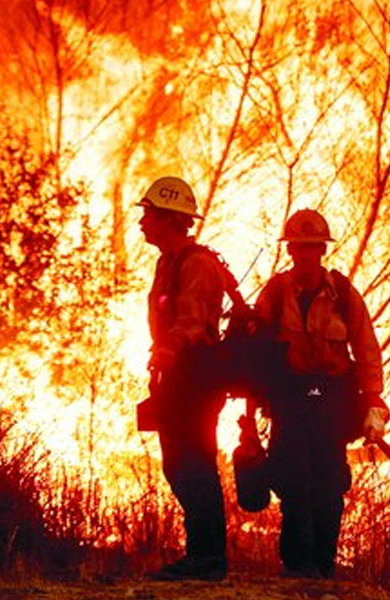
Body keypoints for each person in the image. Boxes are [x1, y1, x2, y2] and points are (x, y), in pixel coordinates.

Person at [253, 208, 390, 579]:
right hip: (289, 398)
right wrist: (252, 400)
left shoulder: (343, 294)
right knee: (291, 476)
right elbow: (255, 345)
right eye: (298, 247)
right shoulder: (276, 293)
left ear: (322, 251)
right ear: (290, 251)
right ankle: (297, 563)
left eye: (312, 247)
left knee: (329, 481)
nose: (305, 254)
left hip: (331, 400)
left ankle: (324, 562)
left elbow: (366, 347)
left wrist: (373, 399)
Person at [136, 175, 230, 581]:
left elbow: (192, 322)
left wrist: (169, 348)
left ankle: (208, 559)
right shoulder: (167, 262)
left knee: (194, 463)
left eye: (149, 214)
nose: (142, 222)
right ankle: (202, 556)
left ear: (171, 219)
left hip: (197, 375)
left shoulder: (197, 264)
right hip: (177, 376)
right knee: (178, 464)